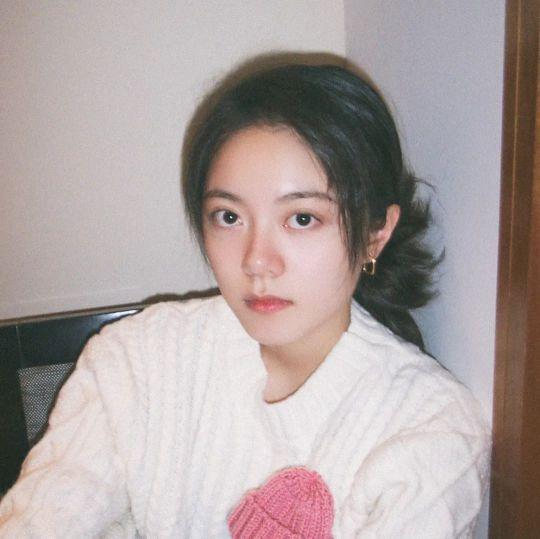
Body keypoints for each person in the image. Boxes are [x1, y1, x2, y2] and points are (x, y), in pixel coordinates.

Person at [0, 58, 490, 538]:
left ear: (374, 234)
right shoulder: (137, 359)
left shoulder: (429, 428)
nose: (257, 261)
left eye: (302, 218)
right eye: (229, 217)